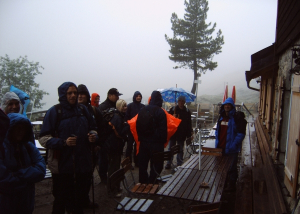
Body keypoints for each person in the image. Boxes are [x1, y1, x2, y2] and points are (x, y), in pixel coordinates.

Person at [39, 82, 97, 214]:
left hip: (82, 164)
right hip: (62, 166)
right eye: (69, 93)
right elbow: (43, 138)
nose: (73, 95)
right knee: (60, 200)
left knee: (78, 202)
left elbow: (93, 128)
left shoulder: (83, 110)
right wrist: (63, 143)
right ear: (63, 94)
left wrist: (93, 136)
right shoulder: (54, 112)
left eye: (75, 93)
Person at [0, 113, 46, 214]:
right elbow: (3, 179)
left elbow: (41, 169)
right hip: (6, 203)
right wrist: (28, 178)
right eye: (17, 128)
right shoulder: (2, 148)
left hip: (26, 201)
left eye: (23, 129)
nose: (20, 132)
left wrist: (18, 174)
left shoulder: (28, 146)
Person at [77, 84, 105, 209]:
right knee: (76, 178)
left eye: (83, 93)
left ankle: (85, 200)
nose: (80, 96)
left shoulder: (94, 110)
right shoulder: (72, 109)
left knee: (88, 176)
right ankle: (78, 203)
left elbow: (103, 128)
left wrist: (98, 144)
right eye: (78, 93)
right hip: (76, 150)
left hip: (91, 150)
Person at [215, 97, 247, 191]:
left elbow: (241, 134)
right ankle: (223, 186)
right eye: (225, 104)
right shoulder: (221, 117)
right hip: (221, 147)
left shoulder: (237, 118)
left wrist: (234, 146)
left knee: (232, 169)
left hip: (232, 149)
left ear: (232, 106)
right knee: (222, 168)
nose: (227, 106)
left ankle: (232, 188)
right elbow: (218, 131)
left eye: (229, 105)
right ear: (223, 106)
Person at [136, 91, 167, 184]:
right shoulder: (160, 111)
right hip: (156, 144)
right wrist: (162, 142)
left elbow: (137, 126)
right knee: (157, 164)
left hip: (144, 143)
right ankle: (152, 182)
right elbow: (163, 130)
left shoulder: (142, 109)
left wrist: (141, 138)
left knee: (143, 164)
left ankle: (143, 182)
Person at [102, 99, 129, 197]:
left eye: (126, 106)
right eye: (124, 106)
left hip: (116, 146)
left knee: (116, 167)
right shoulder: (117, 118)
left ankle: (116, 186)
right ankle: (111, 190)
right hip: (113, 147)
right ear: (119, 107)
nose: (125, 108)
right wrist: (127, 126)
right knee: (113, 168)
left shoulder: (119, 116)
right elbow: (120, 133)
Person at [165, 96, 192, 169]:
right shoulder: (173, 110)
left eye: (182, 101)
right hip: (173, 133)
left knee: (180, 149)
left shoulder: (187, 111)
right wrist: (172, 117)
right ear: (177, 101)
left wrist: (189, 134)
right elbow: (168, 120)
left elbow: (189, 124)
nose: (181, 102)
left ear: (184, 102)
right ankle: (169, 163)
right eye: (179, 100)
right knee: (171, 149)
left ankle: (179, 163)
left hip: (182, 134)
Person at [125, 91, 145, 168]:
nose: (138, 97)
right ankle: (128, 163)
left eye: (140, 96)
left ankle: (137, 162)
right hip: (131, 130)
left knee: (138, 146)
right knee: (129, 146)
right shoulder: (130, 106)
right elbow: (126, 117)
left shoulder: (143, 106)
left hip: (139, 130)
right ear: (134, 97)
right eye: (137, 96)